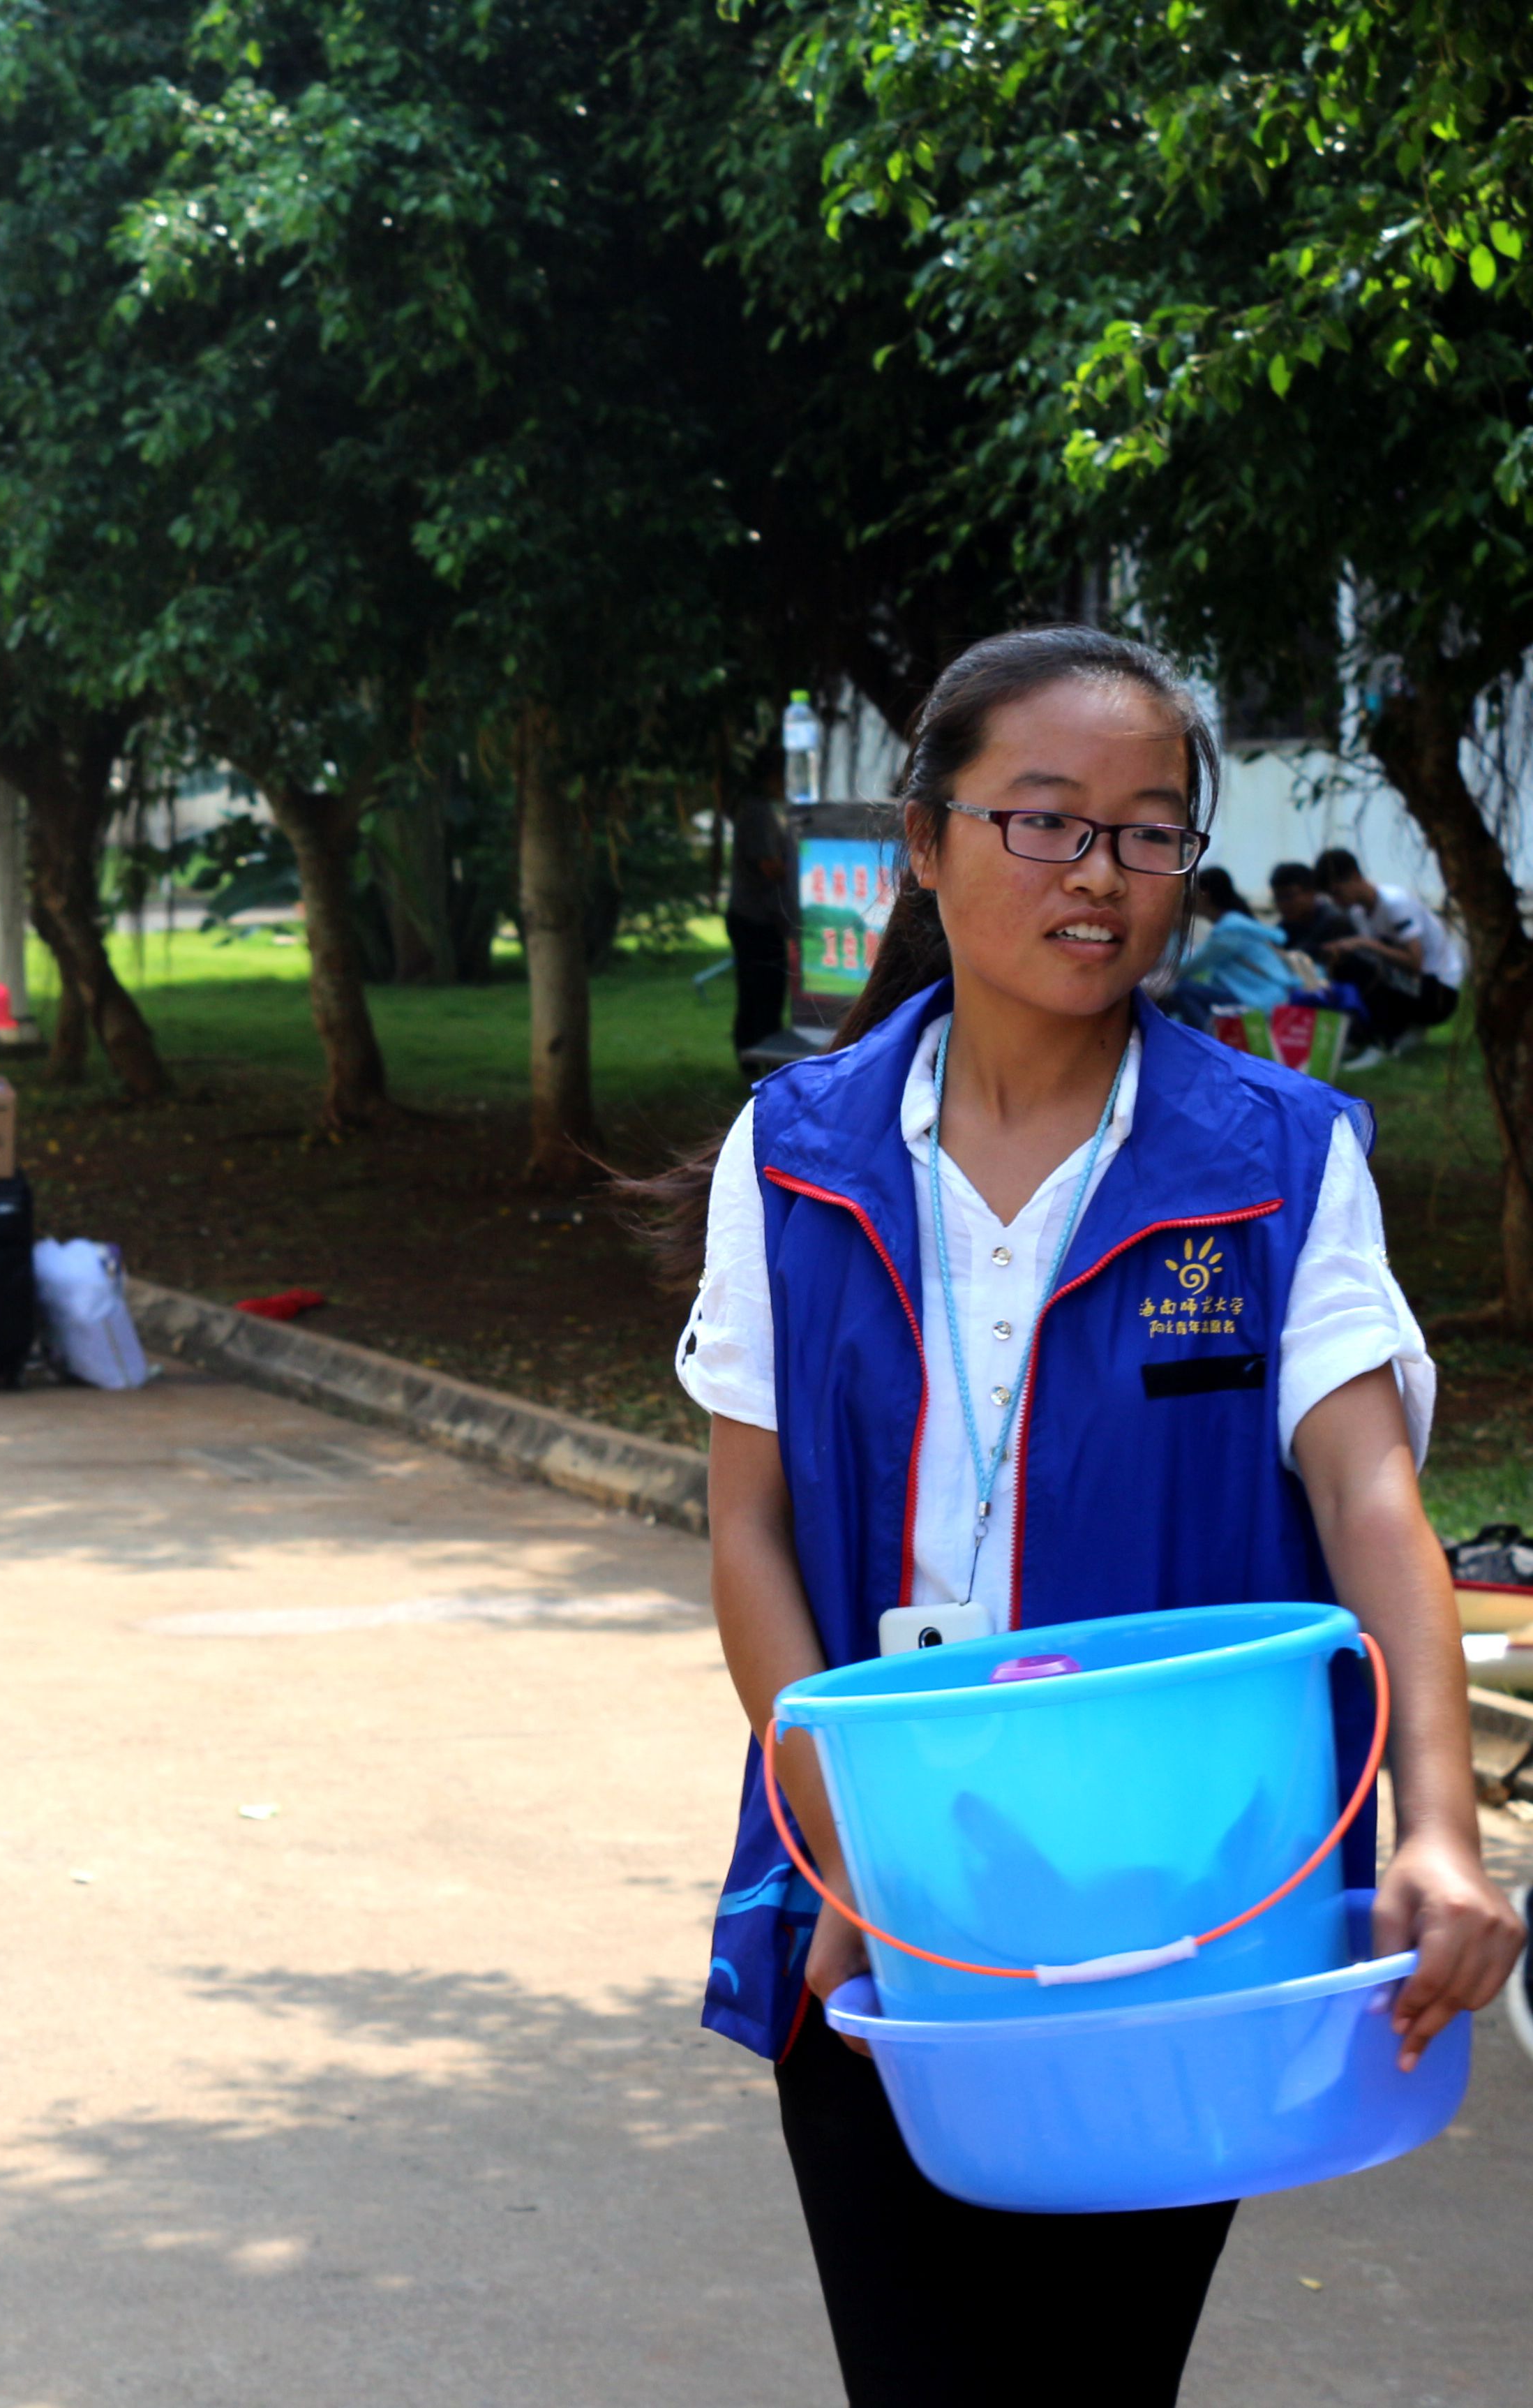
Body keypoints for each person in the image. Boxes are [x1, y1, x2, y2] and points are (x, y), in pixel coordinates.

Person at [645, 627, 1518, 2407]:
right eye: (1042, 819)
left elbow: (1370, 1498)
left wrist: (1438, 1827)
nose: (1099, 873)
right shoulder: (792, 1153)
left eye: (1146, 830)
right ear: (925, 838)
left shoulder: (1273, 1158)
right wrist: (857, 1861)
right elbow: (748, 1531)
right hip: (874, 1893)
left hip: (1171, 1906)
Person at [1312, 845, 1463, 1064]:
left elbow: (1415, 963)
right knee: (1345, 967)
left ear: (1355, 877)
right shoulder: (1358, 913)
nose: (1336, 901)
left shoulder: (1395, 903)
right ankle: (1363, 1035)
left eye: (1337, 892)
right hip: (1412, 984)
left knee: (1360, 969)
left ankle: (1383, 1041)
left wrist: (1364, 944)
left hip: (1439, 990)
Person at [1160, 864, 1304, 1025]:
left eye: (1191, 895)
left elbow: (1188, 967)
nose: (1187, 901)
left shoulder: (1230, 930)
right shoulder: (1236, 923)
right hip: (1263, 995)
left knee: (1183, 991)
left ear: (1205, 895)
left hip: (1260, 1000)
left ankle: (1208, 1039)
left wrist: (1176, 930)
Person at [726, 788, 799, 1060]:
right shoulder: (758, 811)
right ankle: (758, 1055)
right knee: (763, 991)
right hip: (755, 919)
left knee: (759, 991)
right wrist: (799, 868)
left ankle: (756, 1054)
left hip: (757, 918)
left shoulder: (758, 809)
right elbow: (769, 865)